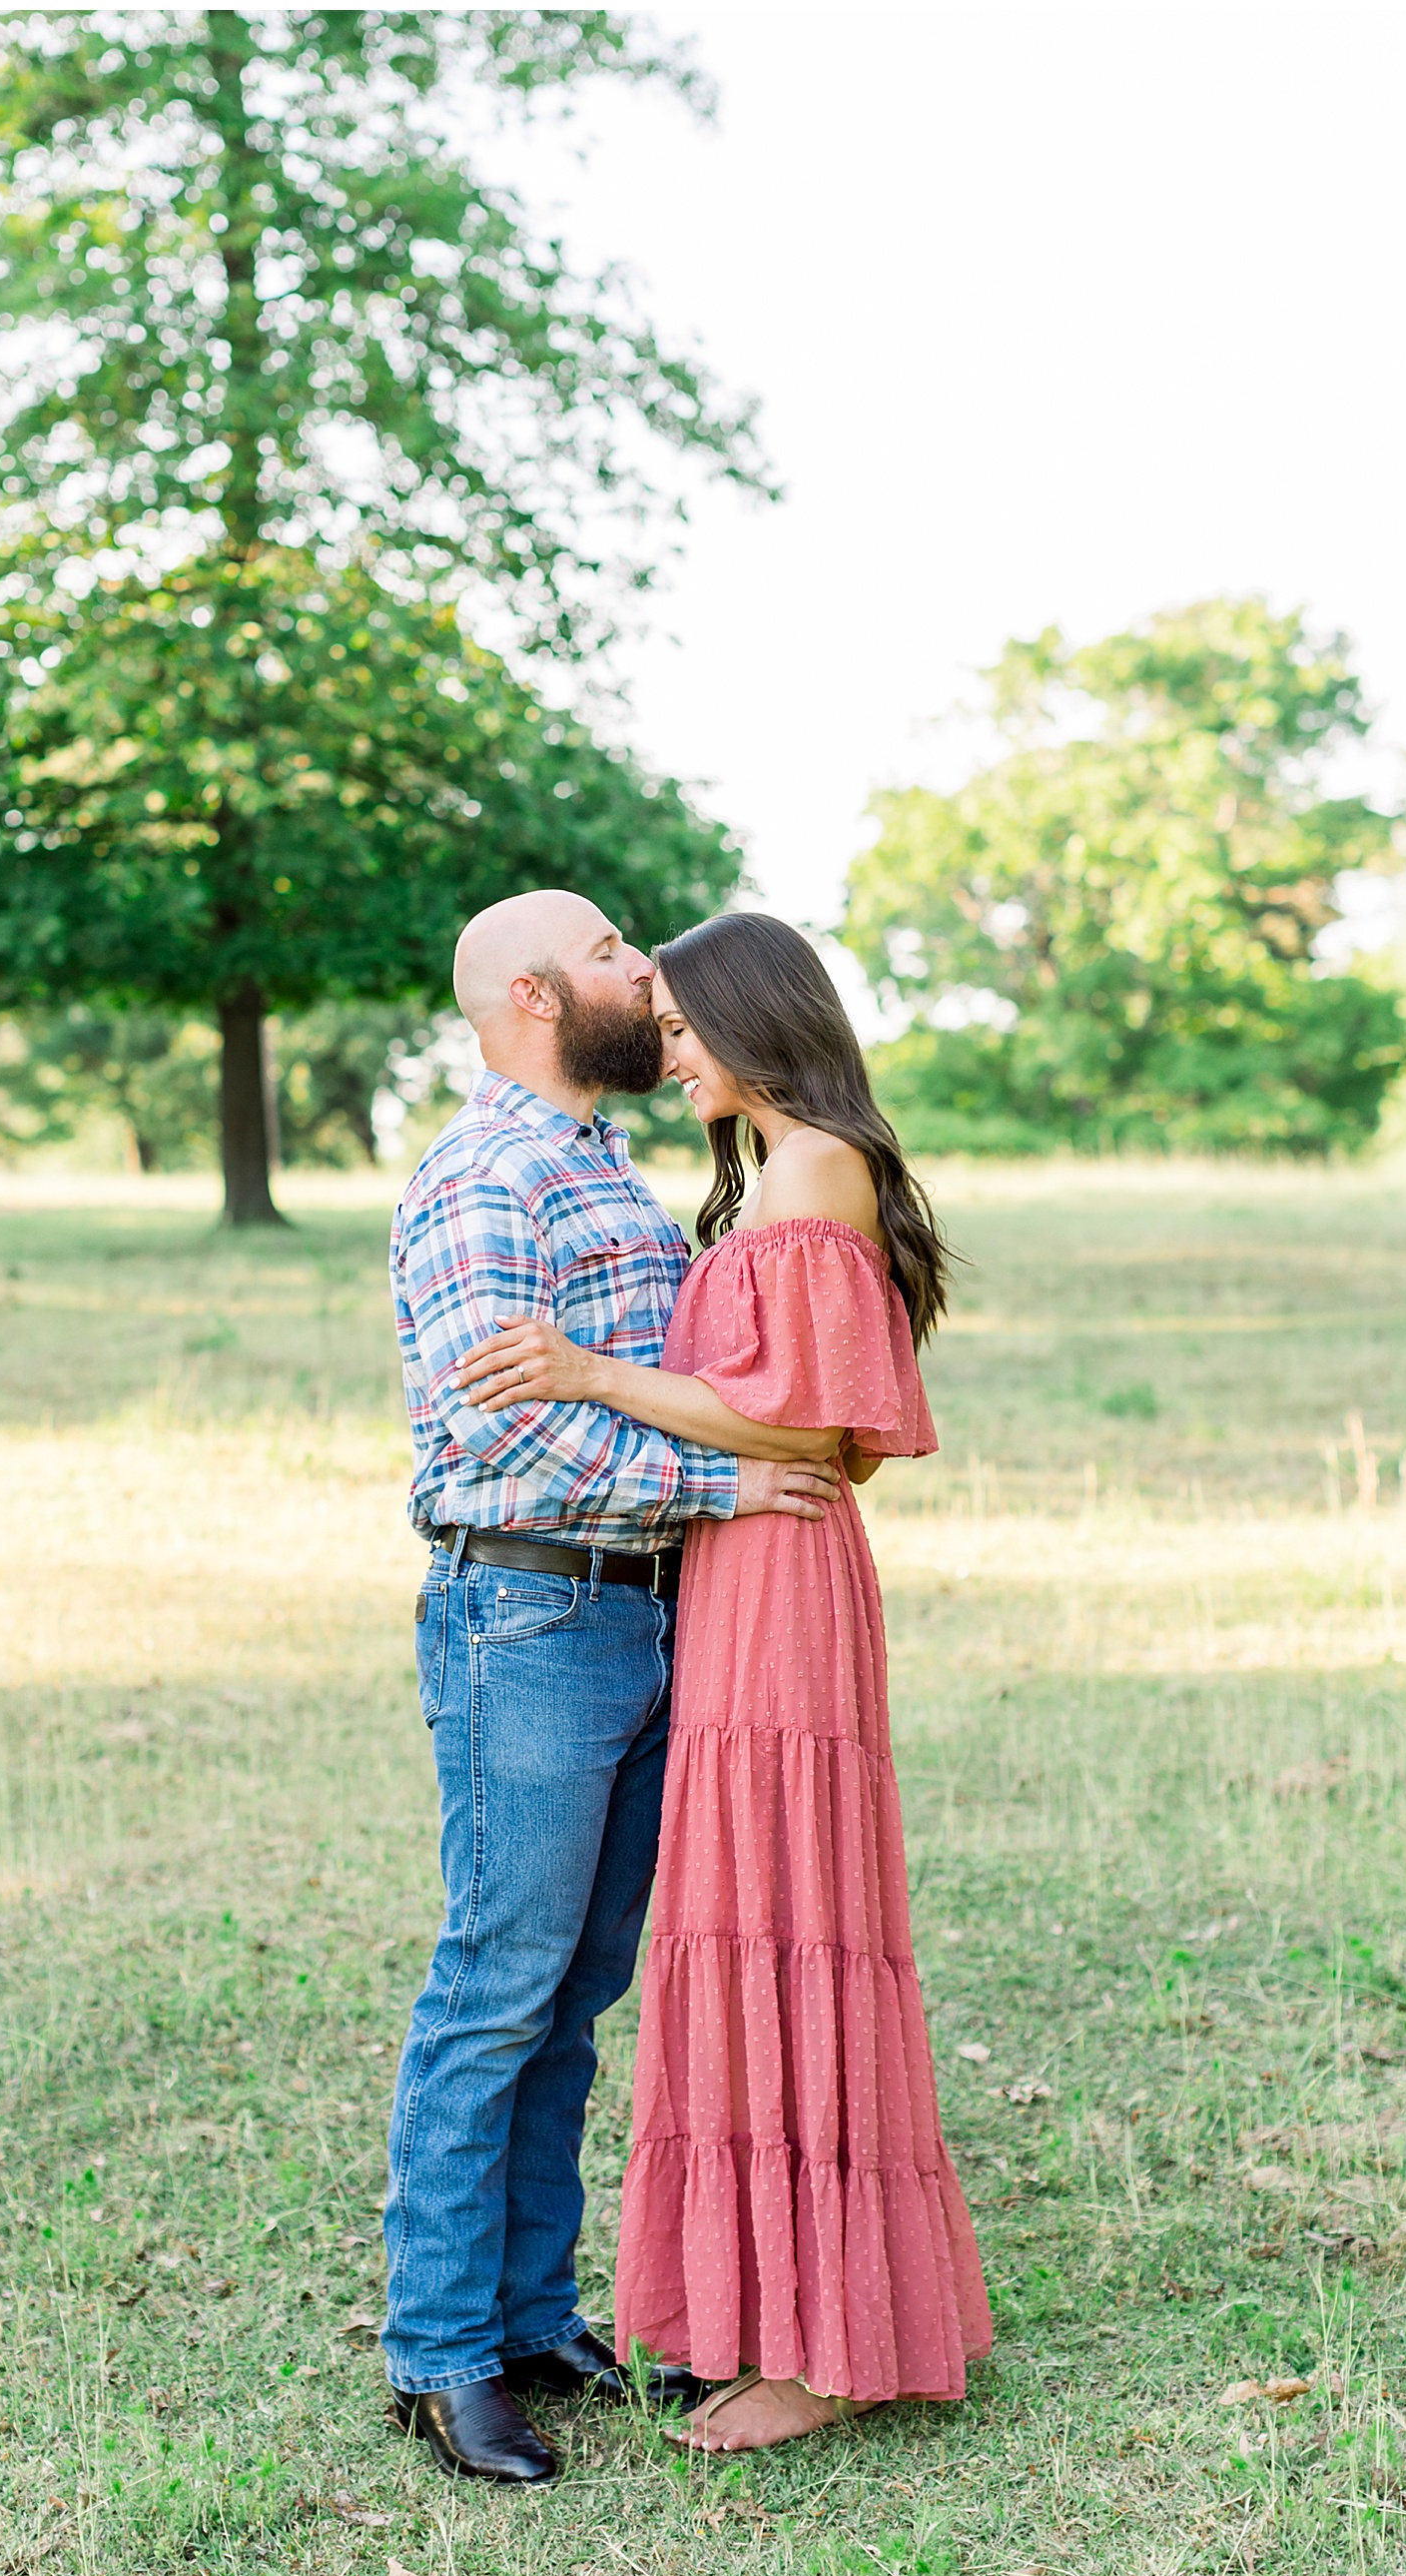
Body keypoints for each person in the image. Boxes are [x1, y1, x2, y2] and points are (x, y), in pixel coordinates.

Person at [453, 910, 991, 2454]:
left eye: (685, 1027)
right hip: (736, 1567)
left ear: (756, 1024)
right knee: (743, 1921)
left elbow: (816, 1433)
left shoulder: (817, 1161)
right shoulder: (775, 1172)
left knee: (791, 1920)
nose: (667, 1049)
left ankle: (820, 2352)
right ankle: (776, 2316)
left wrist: (591, 1370)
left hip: (784, 1577)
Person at [382, 888, 847, 2486]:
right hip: (527, 1612)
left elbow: (683, 1378)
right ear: (528, 992)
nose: (641, 972)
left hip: (642, 1613)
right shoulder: (483, 1174)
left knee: (575, 1994)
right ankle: (438, 2352)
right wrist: (724, 1490)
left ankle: (528, 2312)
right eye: (607, 953)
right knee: (494, 1985)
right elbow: (502, 1420)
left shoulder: (600, 1163)